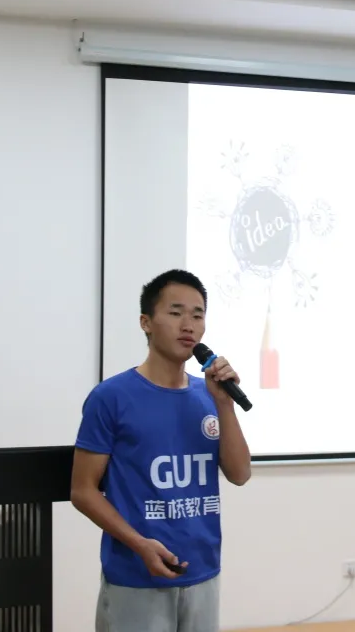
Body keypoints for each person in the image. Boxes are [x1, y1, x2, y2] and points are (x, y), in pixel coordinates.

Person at [71, 269, 252, 632]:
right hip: (135, 576)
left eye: (197, 315)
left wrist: (224, 405)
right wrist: (139, 544)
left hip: (202, 570)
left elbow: (239, 474)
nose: (188, 325)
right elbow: (83, 491)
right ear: (146, 323)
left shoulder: (210, 395)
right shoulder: (111, 397)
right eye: (175, 312)